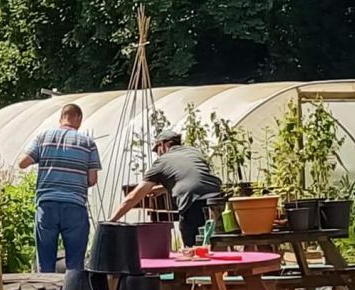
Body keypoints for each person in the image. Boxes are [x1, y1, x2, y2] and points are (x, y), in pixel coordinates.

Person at [18, 103, 101, 272]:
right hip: (75, 206)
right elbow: (92, 179)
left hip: (47, 205)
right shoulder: (88, 143)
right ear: (78, 118)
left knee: (45, 262)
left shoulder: (43, 137)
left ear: (61, 117)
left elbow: (22, 163)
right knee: (75, 265)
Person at [111, 128, 222, 249]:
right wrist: (163, 188)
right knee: (218, 242)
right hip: (217, 200)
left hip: (193, 204)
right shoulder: (194, 152)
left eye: (157, 150)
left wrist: (112, 220)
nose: (158, 154)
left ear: (163, 144)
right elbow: (193, 177)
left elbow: (134, 196)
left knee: (194, 249)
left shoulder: (162, 162)